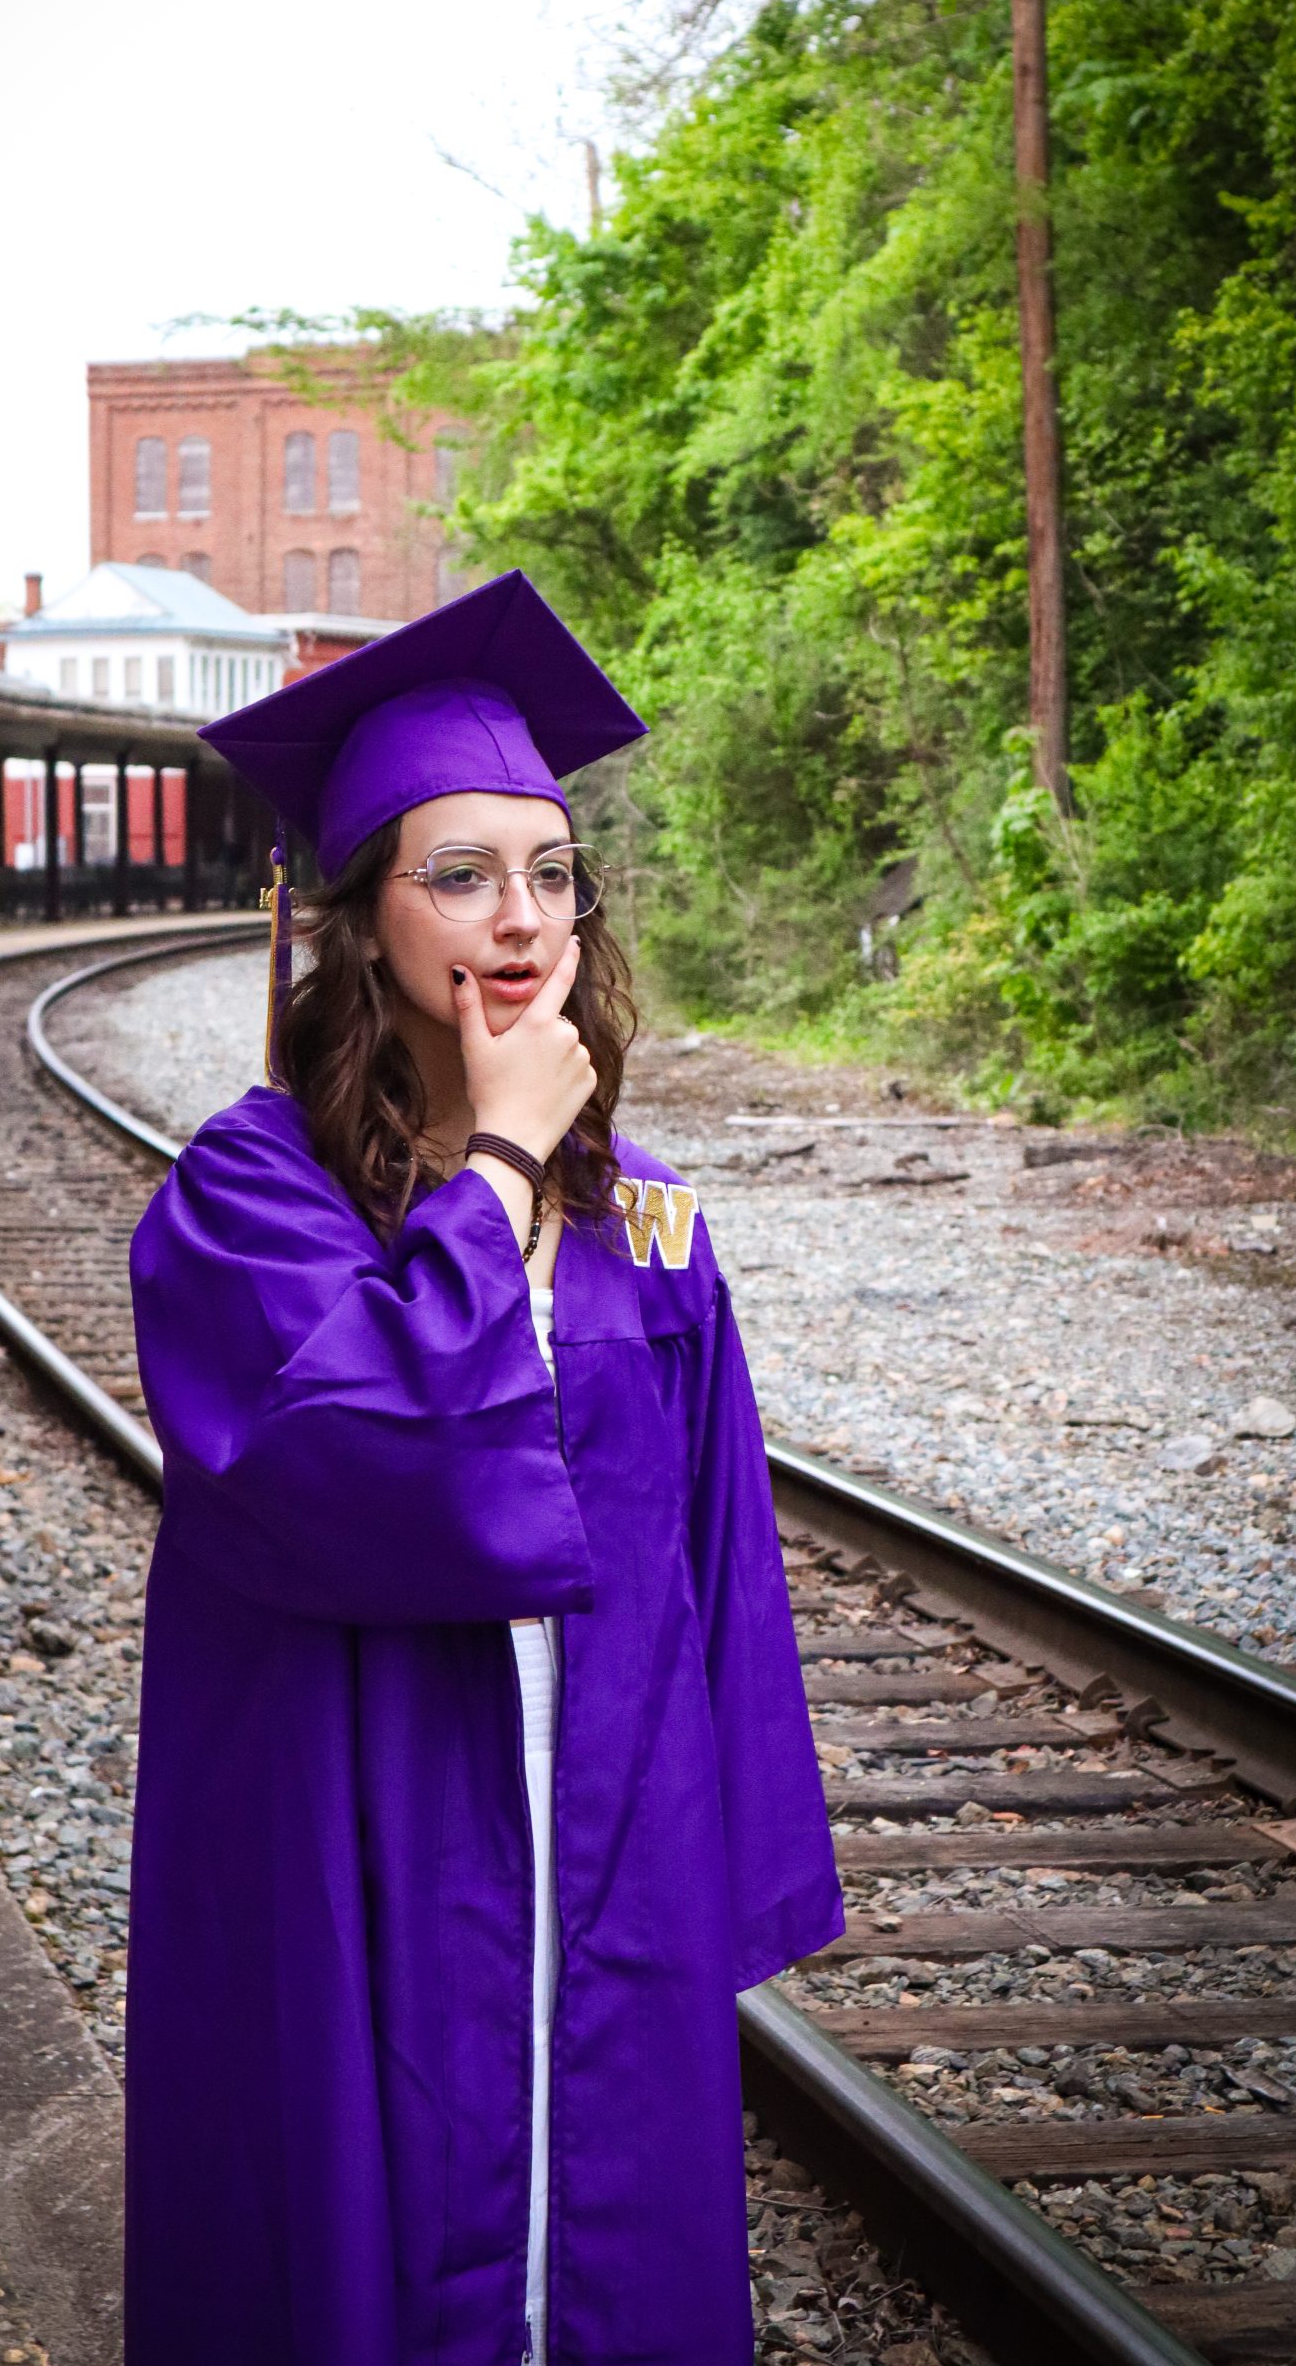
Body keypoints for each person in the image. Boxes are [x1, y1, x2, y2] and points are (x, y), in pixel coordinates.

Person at [125, 571, 844, 2366]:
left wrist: (713, 1862)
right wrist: (506, 1160)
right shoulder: (250, 1196)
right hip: (368, 1815)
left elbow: (720, 1562)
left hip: (605, 1812)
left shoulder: (651, 1216)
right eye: (458, 874)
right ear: (363, 918)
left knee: (594, 2226)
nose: (521, 920)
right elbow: (358, 1457)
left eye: (551, 871)